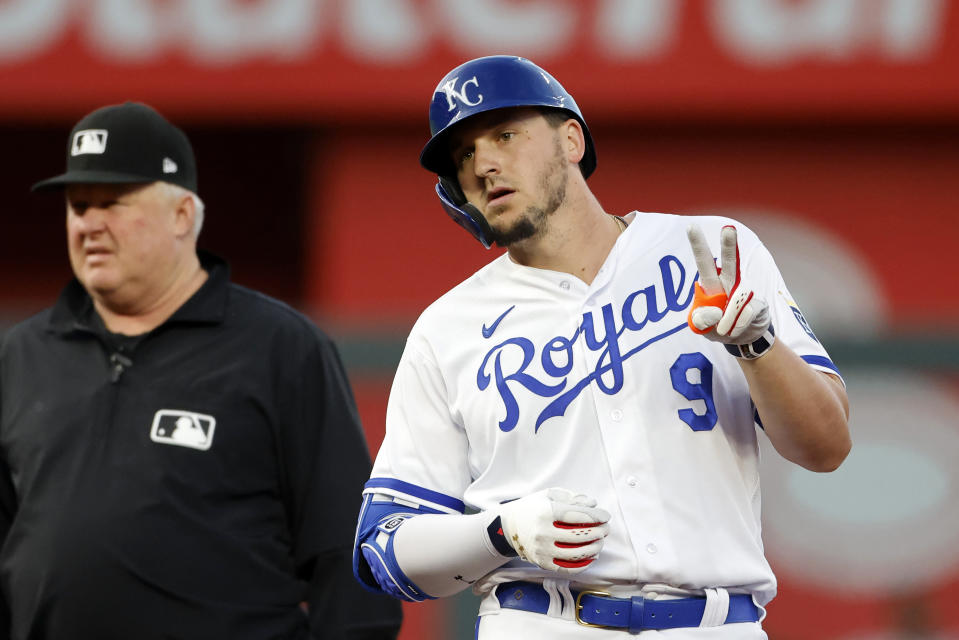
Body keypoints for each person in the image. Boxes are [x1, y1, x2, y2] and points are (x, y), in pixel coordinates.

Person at [351, 56, 851, 638]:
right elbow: (386, 549)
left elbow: (827, 447)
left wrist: (758, 346)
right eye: (463, 154)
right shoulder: (447, 328)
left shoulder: (710, 251)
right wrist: (500, 531)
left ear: (570, 138)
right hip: (542, 621)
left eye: (505, 135)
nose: (484, 163)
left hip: (717, 623)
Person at [0, 101, 403, 640]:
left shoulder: (278, 347)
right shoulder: (22, 356)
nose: (90, 223)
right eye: (78, 205)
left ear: (183, 215)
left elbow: (348, 555)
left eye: (113, 201)